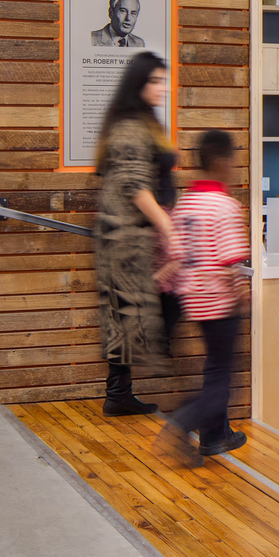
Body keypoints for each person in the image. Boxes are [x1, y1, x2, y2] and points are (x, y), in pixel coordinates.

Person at [158, 130, 249, 465]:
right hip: (219, 299)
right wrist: (243, 294)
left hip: (192, 299)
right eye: (234, 161)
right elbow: (231, 260)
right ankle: (186, 421)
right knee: (222, 374)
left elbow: (177, 252)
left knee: (214, 368)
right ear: (222, 162)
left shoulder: (187, 203)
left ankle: (215, 435)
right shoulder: (224, 205)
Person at [93, 51, 177, 415]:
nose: (163, 87)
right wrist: (167, 226)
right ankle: (125, 388)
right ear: (138, 83)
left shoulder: (142, 121)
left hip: (136, 234)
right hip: (129, 234)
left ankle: (119, 393)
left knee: (126, 313)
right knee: (135, 310)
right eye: (155, 80)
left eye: (163, 80)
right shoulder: (130, 125)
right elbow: (134, 184)